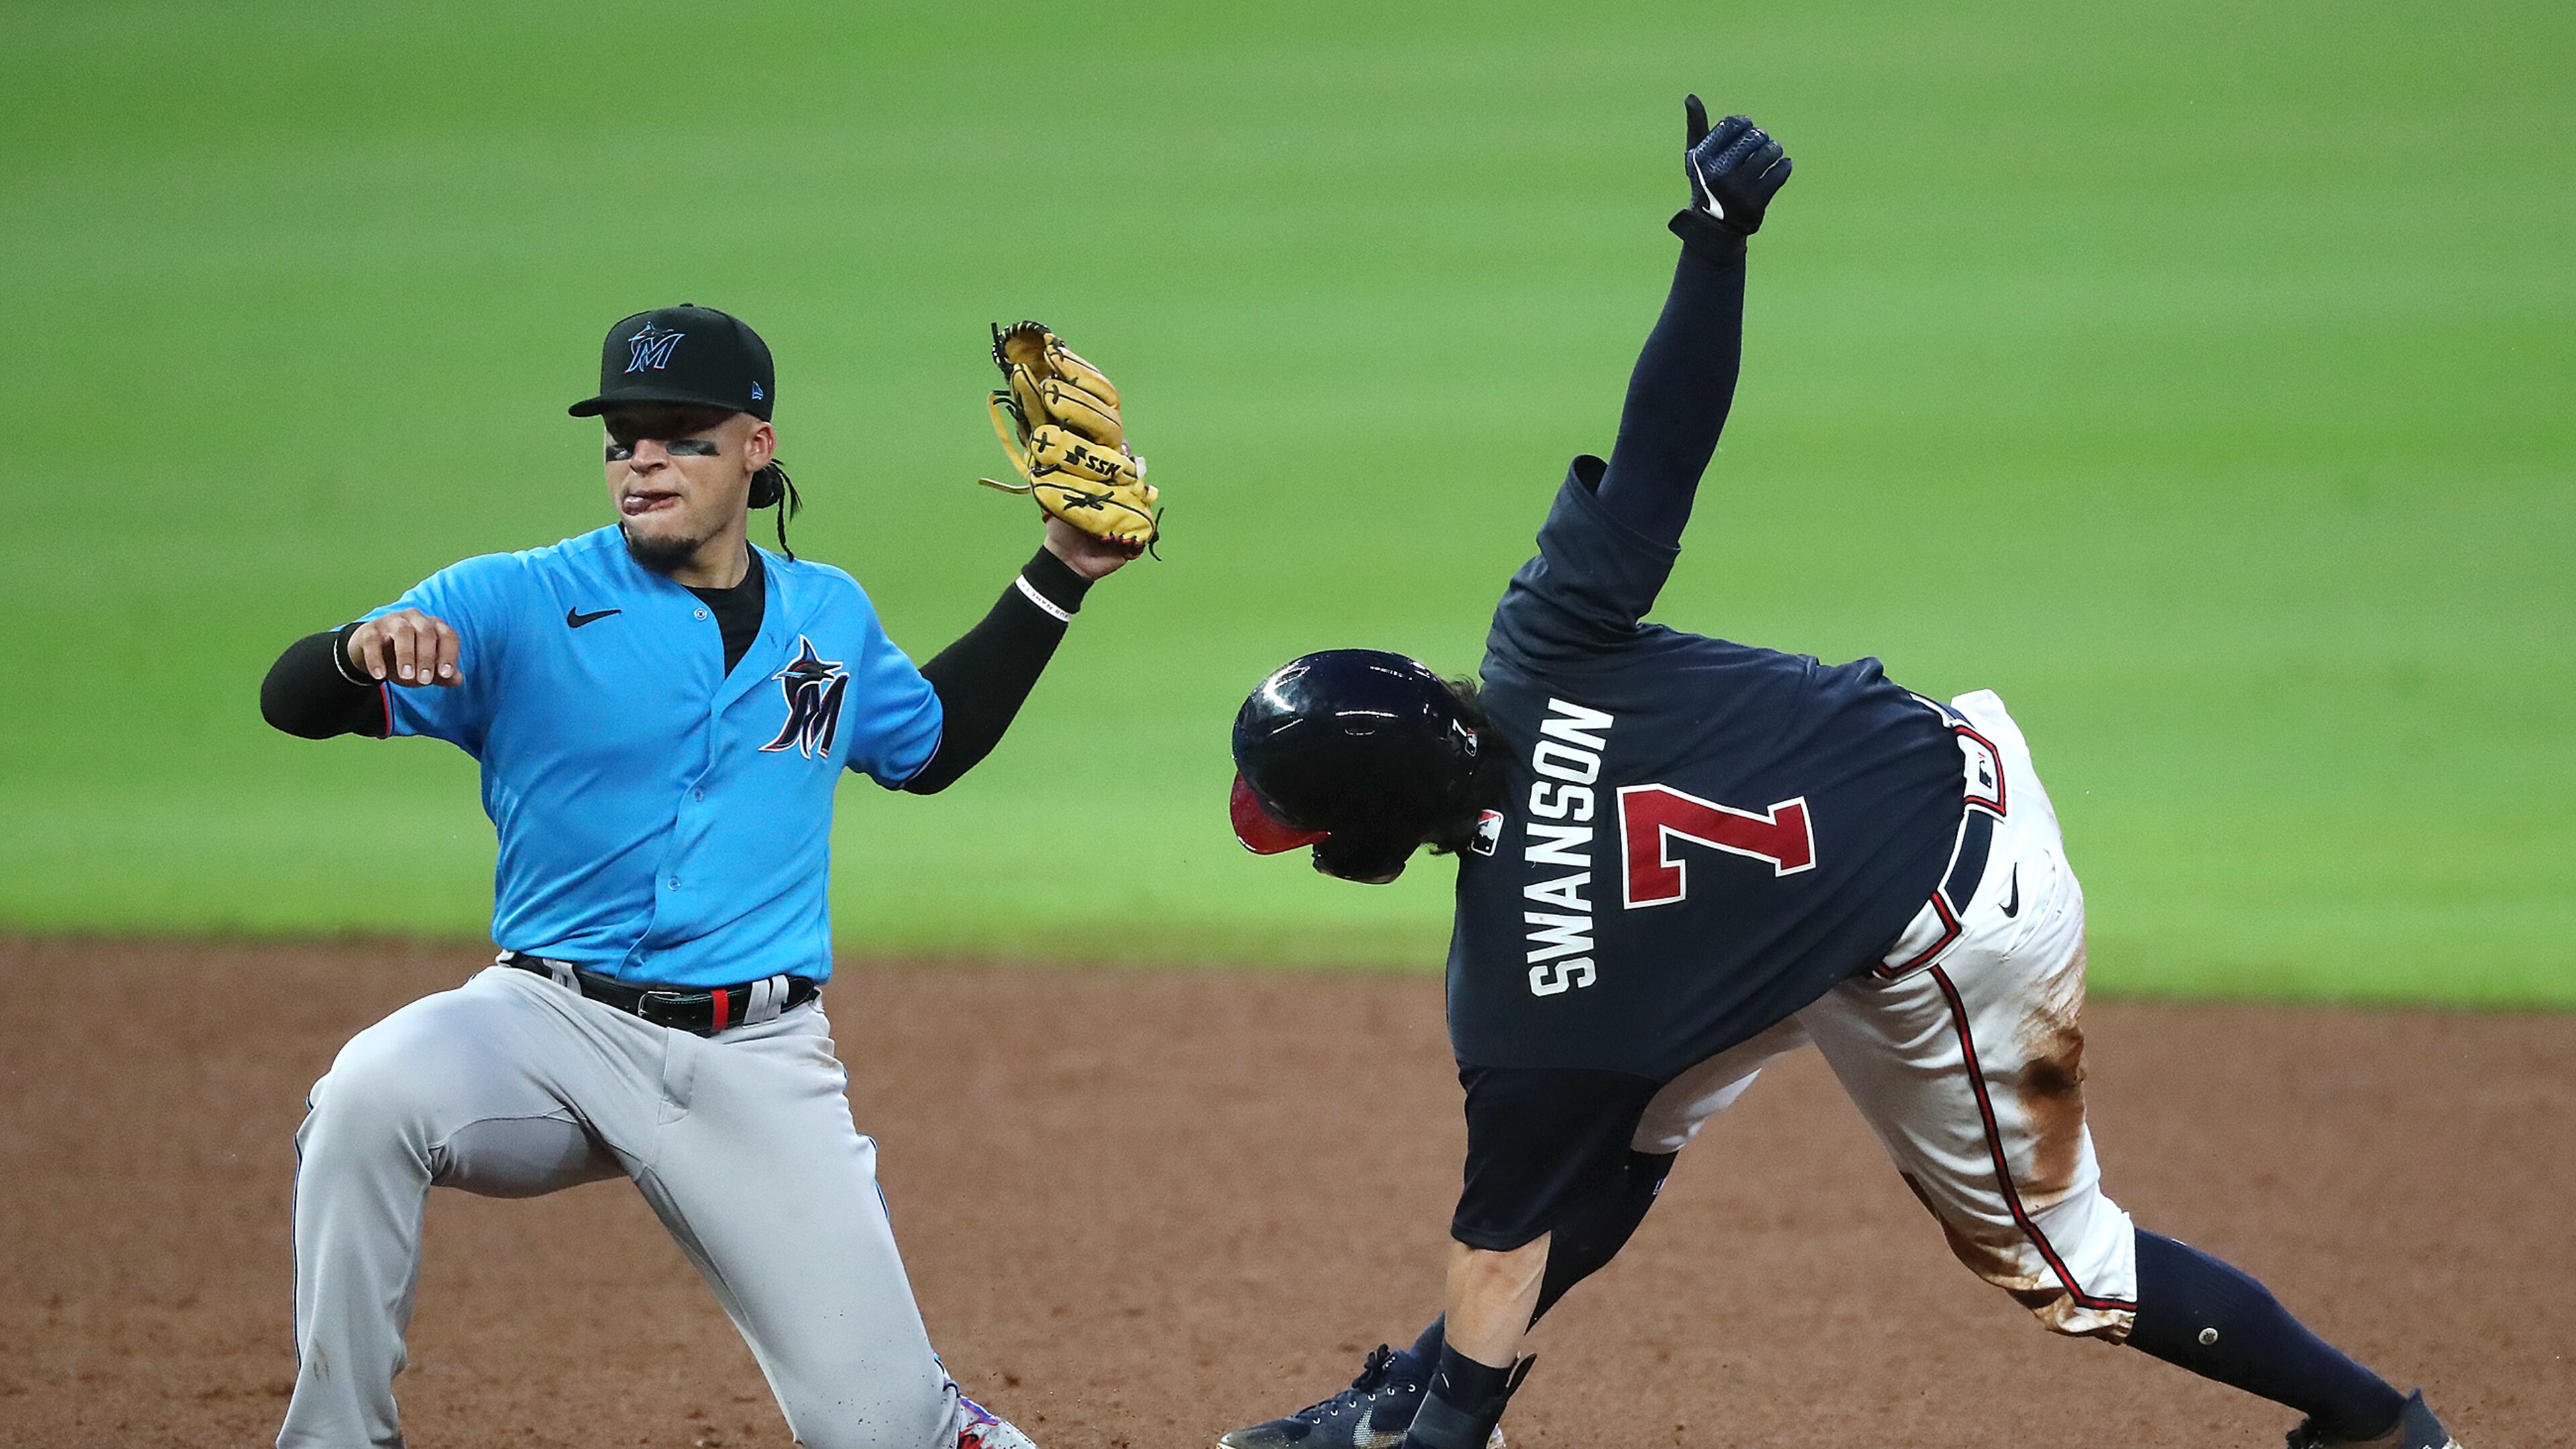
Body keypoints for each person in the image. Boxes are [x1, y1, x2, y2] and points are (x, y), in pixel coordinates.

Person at [1218, 103, 2461, 1449]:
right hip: (1935, 762)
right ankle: (1400, 1397)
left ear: (1365, 841)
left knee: (2068, 1263)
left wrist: (1460, 1427)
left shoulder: (1523, 992)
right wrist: (1716, 237)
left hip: (1954, 941)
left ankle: (2379, 1426)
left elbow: (1505, 1236)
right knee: (1637, 1115)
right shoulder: (1546, 638)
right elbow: (1663, 449)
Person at [257, 303, 1141, 1449]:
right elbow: (292, 701)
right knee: (370, 1095)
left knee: (880, 1430)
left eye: (682, 435)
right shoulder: (515, 600)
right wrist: (347, 655)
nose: (644, 462)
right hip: (546, 1027)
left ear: (755, 449)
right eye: (624, 437)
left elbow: (928, 748)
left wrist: (1061, 571)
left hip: (757, 1061)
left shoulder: (826, 611)